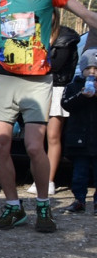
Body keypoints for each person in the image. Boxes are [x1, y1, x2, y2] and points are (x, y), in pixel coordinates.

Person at [0, 0, 97, 233]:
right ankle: (13, 207)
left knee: (35, 147)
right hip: (5, 79)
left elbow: (85, 15)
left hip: (37, 81)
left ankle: (43, 205)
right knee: (0, 145)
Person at [28, 16, 78, 196]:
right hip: (34, 88)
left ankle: (49, 180)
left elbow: (54, 65)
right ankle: (37, 179)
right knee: (35, 138)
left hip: (56, 89)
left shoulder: (66, 37)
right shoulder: (30, 33)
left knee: (53, 137)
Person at [61, 49, 97, 214]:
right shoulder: (73, 86)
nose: (92, 72)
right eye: (89, 68)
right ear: (82, 69)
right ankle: (79, 200)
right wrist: (82, 95)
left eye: (96, 69)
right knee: (79, 173)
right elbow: (66, 104)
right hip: (79, 138)